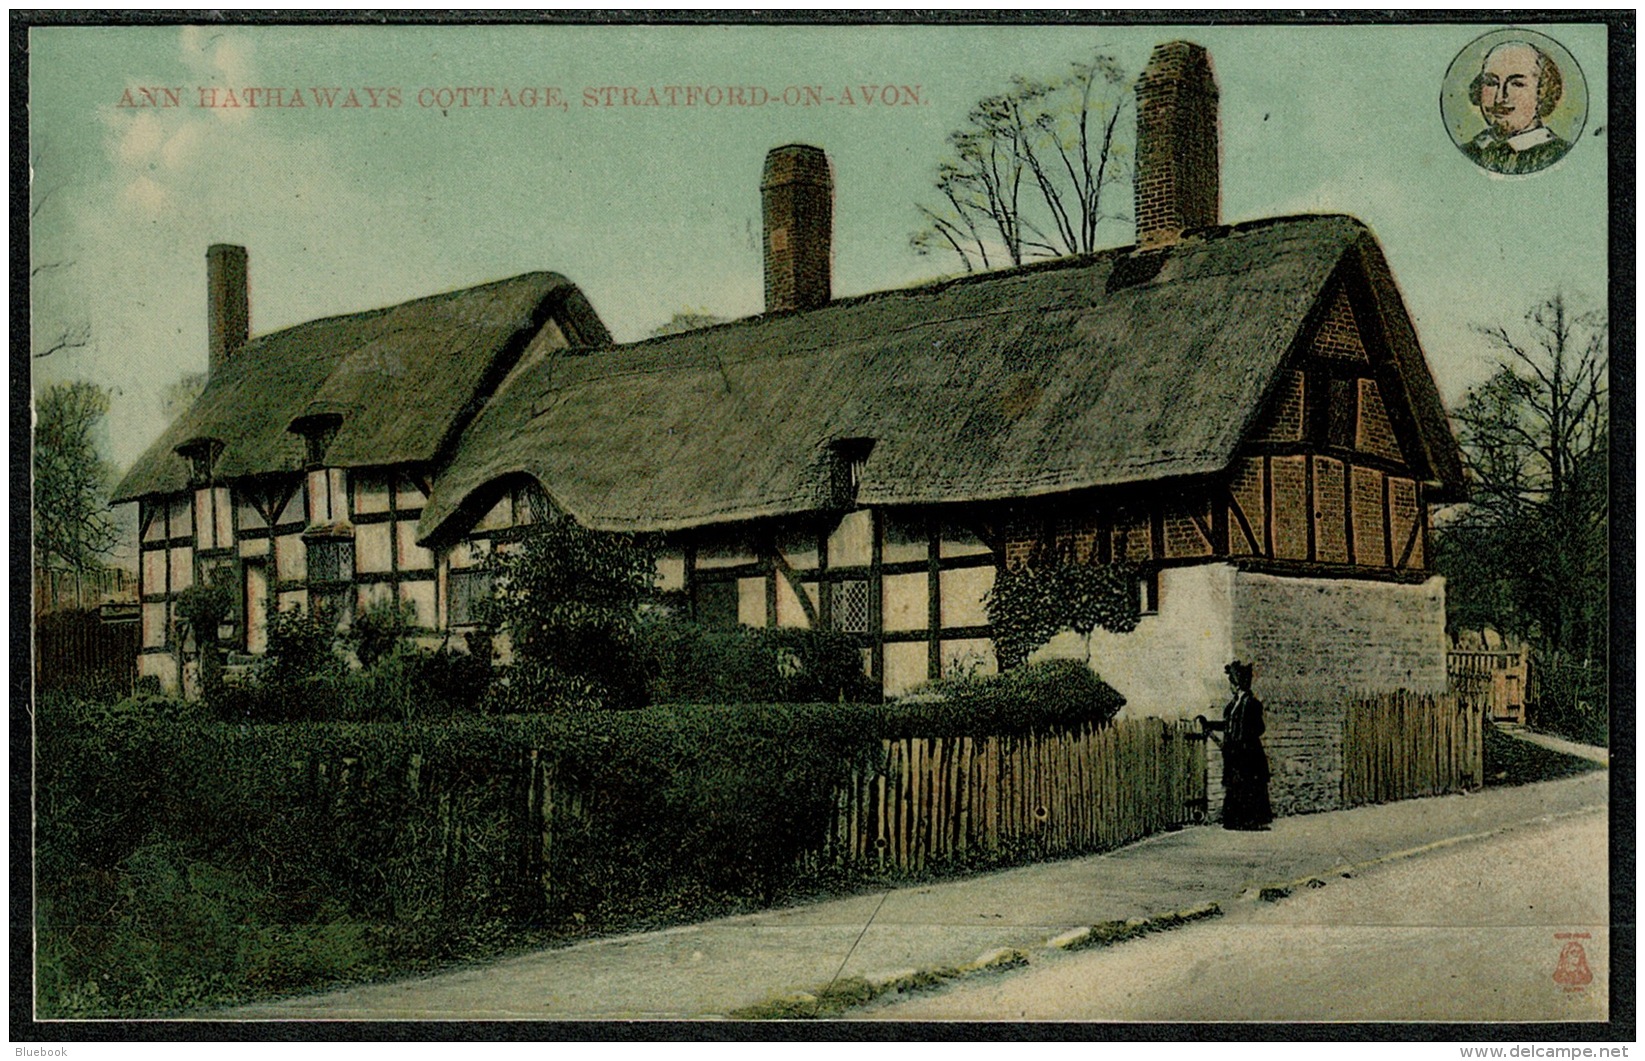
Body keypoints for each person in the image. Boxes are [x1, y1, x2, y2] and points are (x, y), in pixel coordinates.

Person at [1461, 40, 1571, 175]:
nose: (1499, 98)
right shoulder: (1467, 151)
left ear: (1543, 91)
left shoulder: (1560, 153)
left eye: (1517, 84)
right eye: (1491, 82)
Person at [1219, 660, 1272, 830]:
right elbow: (1228, 725)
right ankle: (1236, 820)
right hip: (1235, 753)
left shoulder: (1252, 704)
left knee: (1250, 785)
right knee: (1236, 785)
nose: (1230, 687)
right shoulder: (1233, 705)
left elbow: (1259, 728)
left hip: (1249, 753)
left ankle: (1251, 821)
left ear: (1238, 685)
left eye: (1232, 684)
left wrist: (1244, 740)